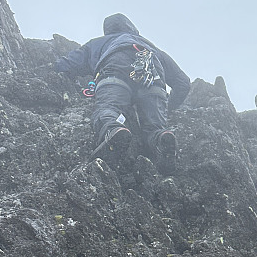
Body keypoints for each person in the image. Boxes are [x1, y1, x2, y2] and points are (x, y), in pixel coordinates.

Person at [54, 14, 191, 174]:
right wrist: (168, 108)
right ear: (132, 28)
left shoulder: (98, 43)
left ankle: (113, 130)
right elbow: (183, 82)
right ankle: (161, 139)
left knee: (108, 110)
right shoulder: (150, 46)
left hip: (115, 67)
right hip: (151, 68)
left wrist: (55, 69)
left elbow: (67, 64)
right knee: (154, 127)